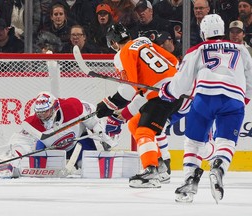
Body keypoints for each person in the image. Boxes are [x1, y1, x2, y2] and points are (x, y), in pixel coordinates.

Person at [159, 14, 252, 203]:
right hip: (233, 99)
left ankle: (189, 183)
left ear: (203, 32)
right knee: (226, 141)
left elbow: (181, 84)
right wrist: (244, 99)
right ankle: (218, 166)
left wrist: (166, 92)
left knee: (193, 142)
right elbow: (250, 80)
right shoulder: (241, 49)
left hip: (205, 98)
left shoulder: (196, 50)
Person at [95, 23, 183, 188]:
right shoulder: (143, 41)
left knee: (144, 131)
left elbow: (129, 89)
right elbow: (173, 61)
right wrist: (124, 113)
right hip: (177, 89)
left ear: (113, 43)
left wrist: (108, 104)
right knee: (134, 123)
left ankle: (150, 172)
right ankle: (160, 167)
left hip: (161, 95)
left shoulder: (122, 54)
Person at [0, 91, 117, 178]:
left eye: (45, 112)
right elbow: (20, 142)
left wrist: (104, 138)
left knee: (89, 169)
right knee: (41, 173)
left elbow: (93, 122)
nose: (42, 116)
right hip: (50, 148)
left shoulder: (73, 106)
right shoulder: (32, 123)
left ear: (55, 108)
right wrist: (10, 161)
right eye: (39, 112)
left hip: (78, 144)